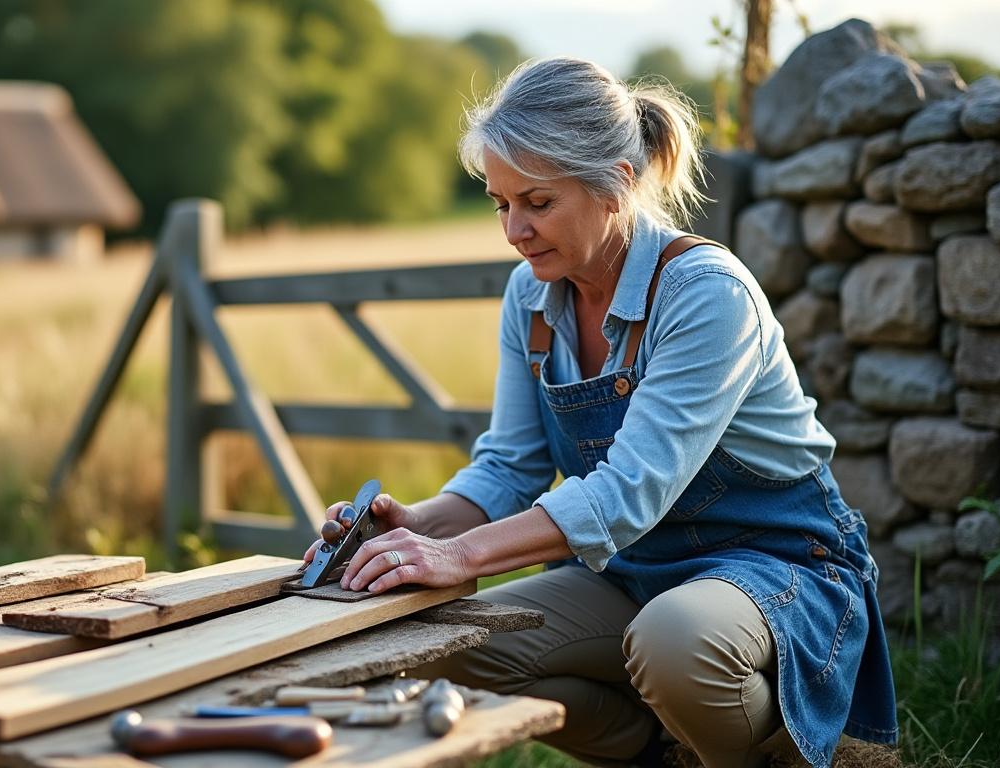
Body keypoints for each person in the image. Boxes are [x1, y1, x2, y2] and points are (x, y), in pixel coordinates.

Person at [303, 57, 897, 768]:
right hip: (633, 571)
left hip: (774, 564)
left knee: (675, 642)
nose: (515, 230)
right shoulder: (530, 298)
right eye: (500, 203)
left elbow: (625, 495)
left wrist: (458, 555)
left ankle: (782, 755)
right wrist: (407, 532)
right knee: (436, 646)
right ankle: (665, 753)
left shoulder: (706, 294)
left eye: (538, 202)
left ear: (616, 179)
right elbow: (508, 467)